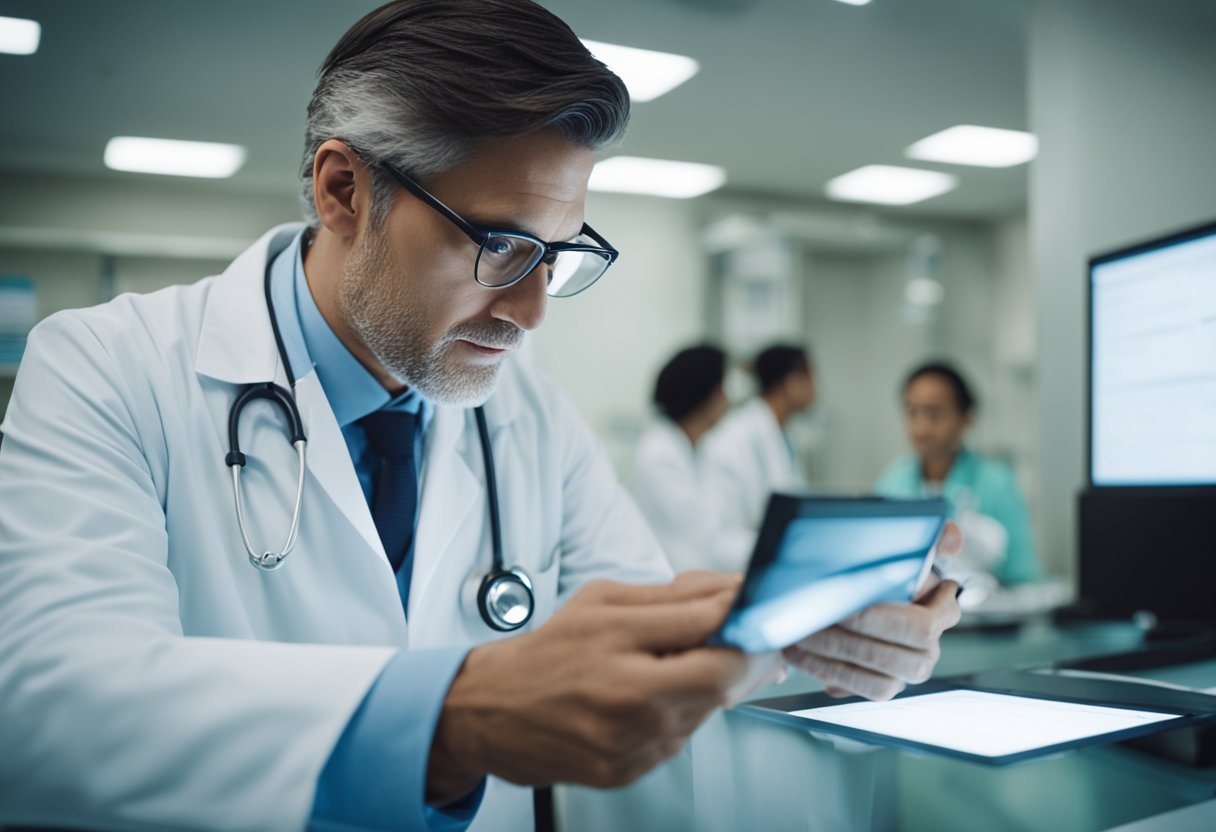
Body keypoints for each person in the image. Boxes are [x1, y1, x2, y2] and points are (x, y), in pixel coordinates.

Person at [0, 3, 961, 830]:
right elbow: (50, 708)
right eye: (499, 245)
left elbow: (642, 638)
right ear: (344, 190)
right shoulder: (108, 368)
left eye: (559, 252)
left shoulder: (531, 420)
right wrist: (453, 716)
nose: (533, 308)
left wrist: (809, 627)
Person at [875, 361, 1041, 586]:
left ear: (966, 417)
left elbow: (1023, 575)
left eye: (934, 414)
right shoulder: (892, 482)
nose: (921, 427)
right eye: (912, 412)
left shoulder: (996, 482)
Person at [632, 345, 751, 573]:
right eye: (722, 390)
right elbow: (705, 543)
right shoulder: (659, 454)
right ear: (704, 394)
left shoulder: (700, 447)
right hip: (674, 581)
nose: (727, 401)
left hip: (705, 573)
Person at [701, 344, 817, 567]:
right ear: (791, 382)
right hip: (738, 571)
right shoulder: (731, 439)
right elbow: (719, 539)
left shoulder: (787, 435)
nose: (816, 389)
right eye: (811, 377)